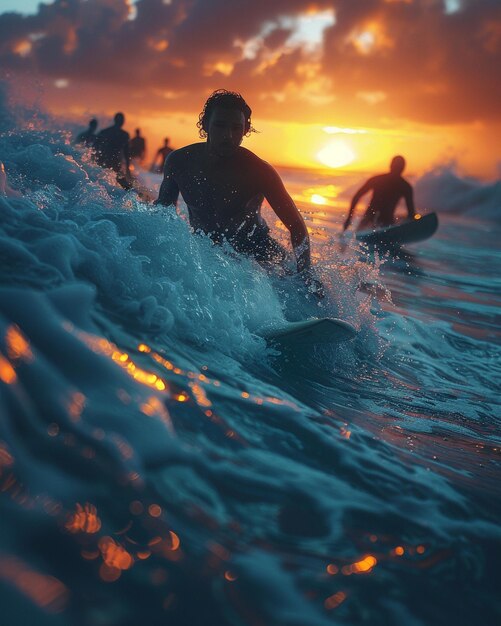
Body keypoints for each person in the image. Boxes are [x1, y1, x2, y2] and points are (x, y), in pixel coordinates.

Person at [156, 89, 323, 296]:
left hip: (259, 255)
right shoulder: (180, 162)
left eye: (236, 128)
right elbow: (162, 217)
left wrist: (305, 275)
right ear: (206, 124)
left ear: (246, 130)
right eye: (220, 125)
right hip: (204, 251)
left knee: (311, 293)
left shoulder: (260, 172)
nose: (228, 135)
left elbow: (296, 226)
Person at [343, 155, 415, 231]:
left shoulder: (405, 187)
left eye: (399, 167)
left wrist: (349, 218)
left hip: (385, 223)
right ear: (391, 166)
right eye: (396, 166)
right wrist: (349, 218)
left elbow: (411, 213)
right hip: (373, 221)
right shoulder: (378, 180)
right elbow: (357, 196)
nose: (397, 169)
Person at [94, 112, 131, 188]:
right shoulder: (124, 134)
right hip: (114, 162)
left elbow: (95, 147)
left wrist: (94, 161)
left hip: (104, 161)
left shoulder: (104, 132)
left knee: (102, 183)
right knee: (123, 186)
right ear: (123, 122)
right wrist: (128, 169)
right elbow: (126, 153)